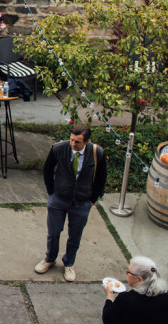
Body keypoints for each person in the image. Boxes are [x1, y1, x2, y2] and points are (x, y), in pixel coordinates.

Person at [34, 124, 107, 282]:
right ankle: (49, 259)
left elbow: (101, 178)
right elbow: (47, 169)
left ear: (86, 142)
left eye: (77, 142)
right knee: (53, 233)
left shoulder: (97, 153)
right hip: (59, 199)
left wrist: (92, 200)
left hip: (81, 202)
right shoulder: (59, 148)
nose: (73, 144)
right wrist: (51, 192)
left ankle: (69, 263)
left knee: (75, 236)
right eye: (71, 139)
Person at [102, 256, 168, 323]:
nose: (126, 273)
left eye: (129, 272)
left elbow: (108, 319)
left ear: (139, 279)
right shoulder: (165, 297)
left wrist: (109, 294)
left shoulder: (125, 300)